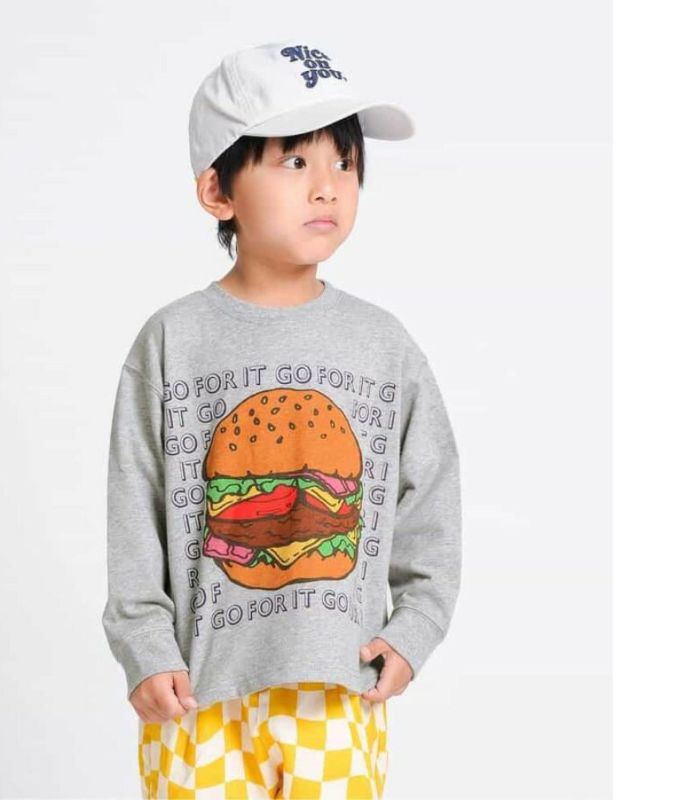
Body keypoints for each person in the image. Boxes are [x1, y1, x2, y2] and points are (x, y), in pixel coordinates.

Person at [102, 40, 462, 799]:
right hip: (194, 693)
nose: (328, 187)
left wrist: (415, 627)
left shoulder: (383, 344)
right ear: (218, 190)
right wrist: (143, 644)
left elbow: (430, 493)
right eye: (295, 161)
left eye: (346, 163)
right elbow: (135, 500)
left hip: (340, 685)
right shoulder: (172, 339)